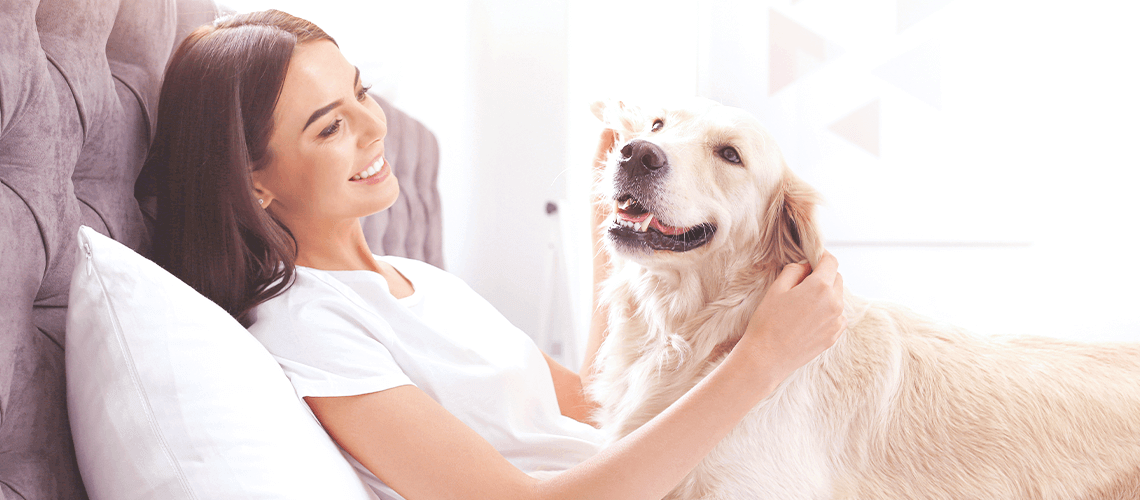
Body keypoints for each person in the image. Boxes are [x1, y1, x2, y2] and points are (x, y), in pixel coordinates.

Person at [143, 9, 846, 500]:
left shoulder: (418, 282)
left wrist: (616, 233)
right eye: (330, 127)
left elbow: (590, 405)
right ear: (253, 179)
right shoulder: (308, 328)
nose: (372, 126)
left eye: (360, 92)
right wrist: (760, 362)